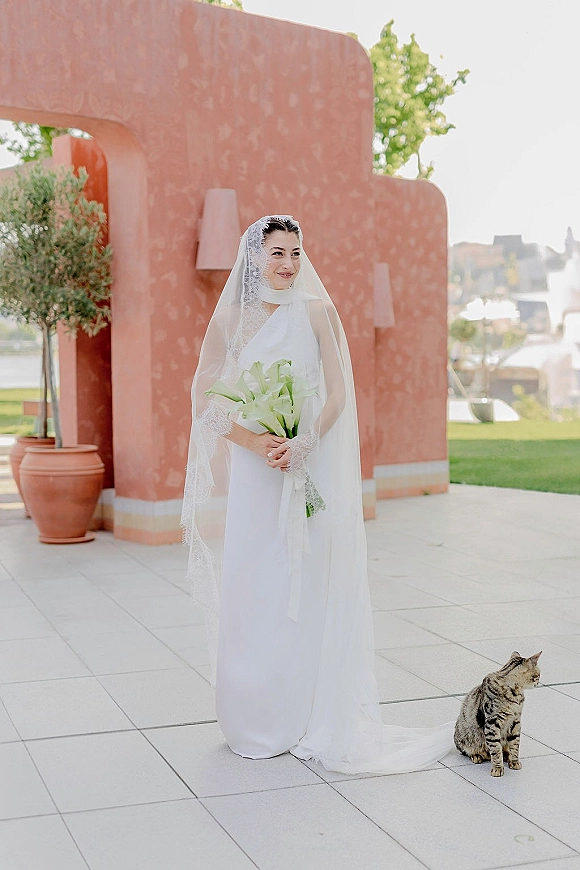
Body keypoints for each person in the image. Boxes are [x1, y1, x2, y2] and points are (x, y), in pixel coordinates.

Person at [182, 215, 454, 774]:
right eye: (276, 252)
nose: (286, 263)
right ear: (254, 259)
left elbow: (337, 392)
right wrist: (257, 442)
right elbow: (206, 400)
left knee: (302, 582)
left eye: (295, 252)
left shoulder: (317, 312)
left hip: (304, 466)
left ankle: (303, 711)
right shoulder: (233, 318)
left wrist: (305, 441)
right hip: (257, 475)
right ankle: (252, 714)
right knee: (255, 584)